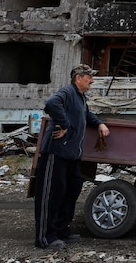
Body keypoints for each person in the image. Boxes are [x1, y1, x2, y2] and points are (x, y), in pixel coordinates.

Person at [34, 63, 110, 250]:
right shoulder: (67, 92)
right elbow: (51, 104)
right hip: (56, 151)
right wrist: (65, 124)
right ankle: (45, 238)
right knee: (51, 195)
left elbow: (87, 115)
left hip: (72, 155)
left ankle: (61, 230)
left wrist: (99, 123)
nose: (92, 80)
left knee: (69, 193)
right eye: (89, 76)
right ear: (78, 78)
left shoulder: (81, 98)